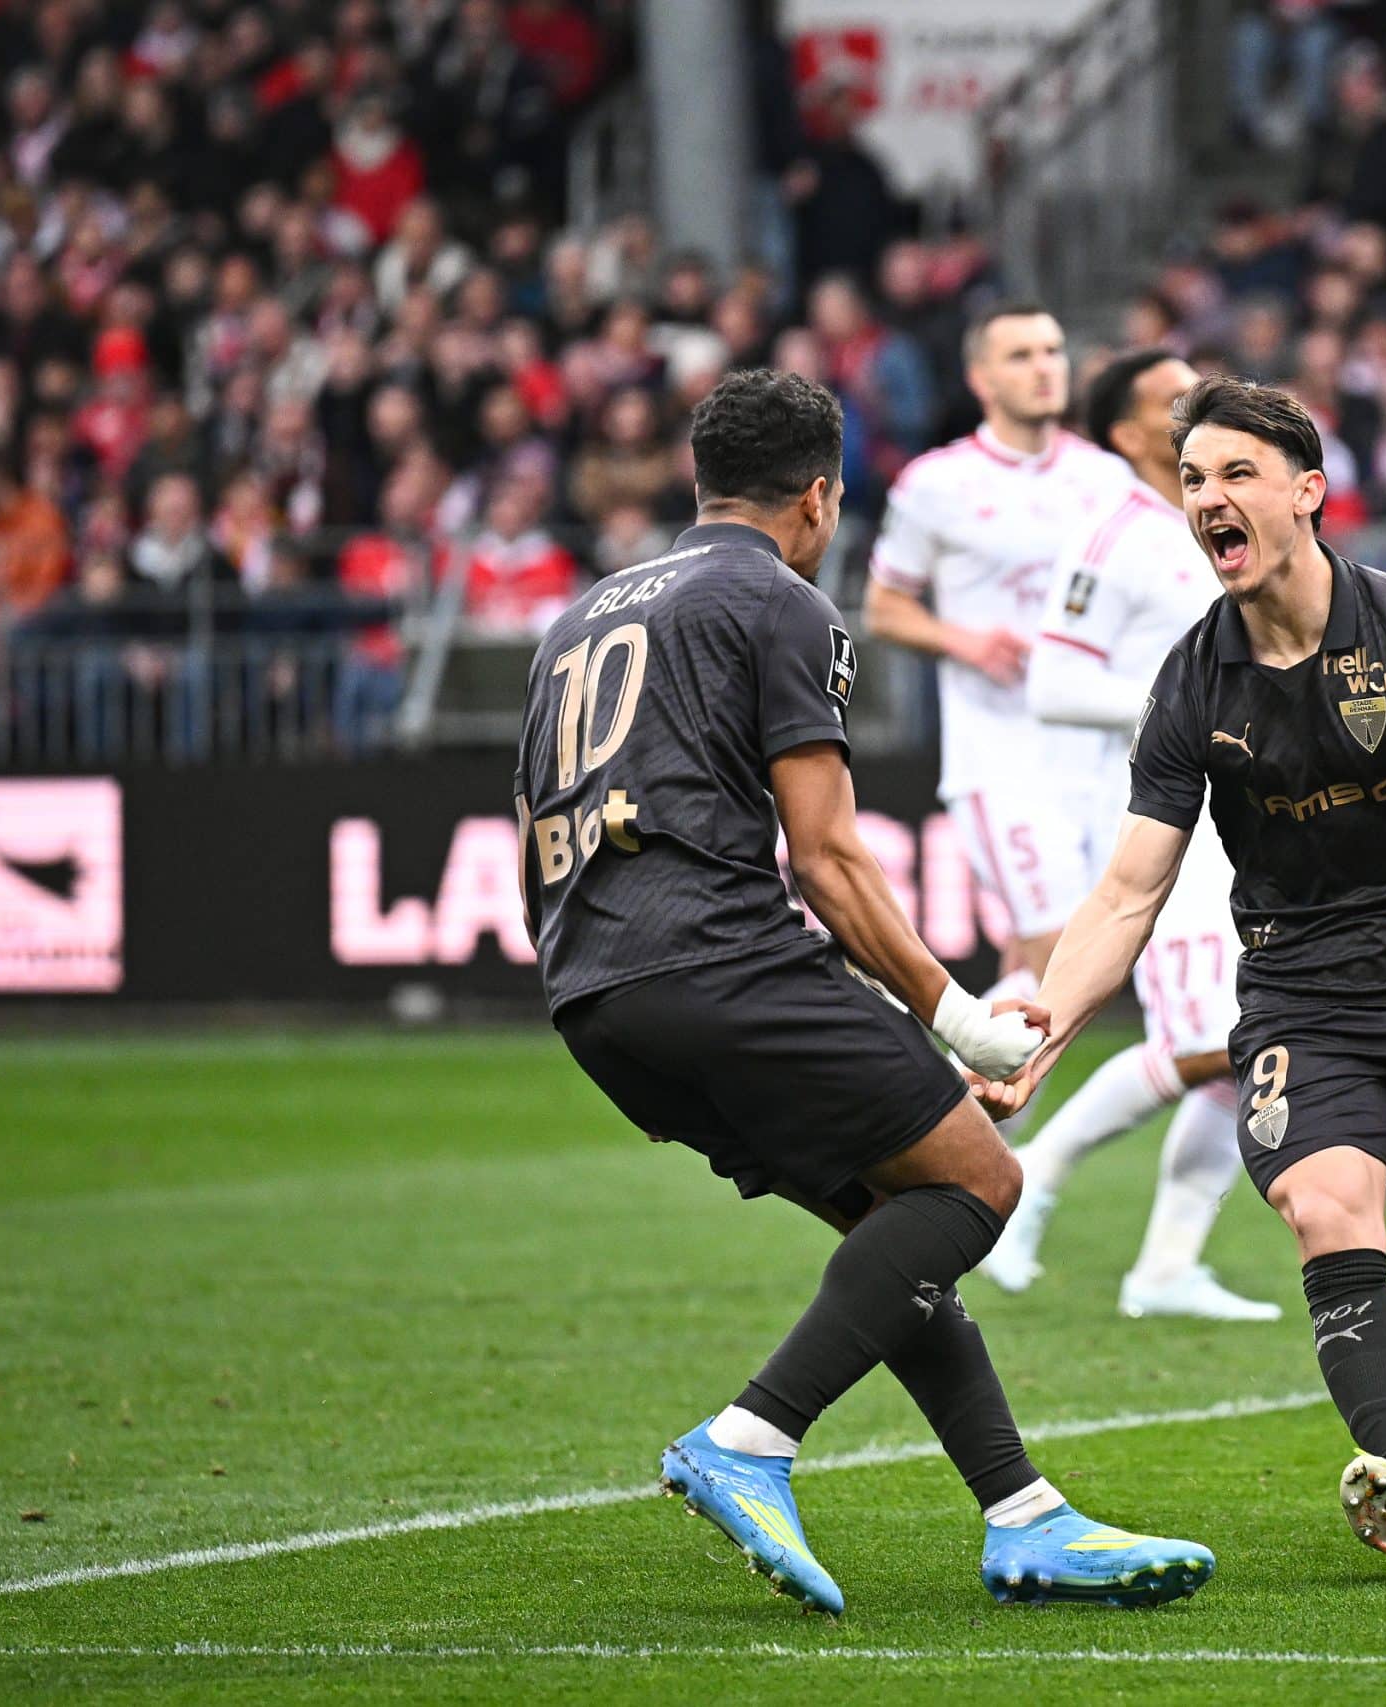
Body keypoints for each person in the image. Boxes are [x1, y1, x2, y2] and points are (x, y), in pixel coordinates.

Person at [517, 369, 1211, 1615]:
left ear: (698, 481)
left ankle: (1024, 1517)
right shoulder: (781, 603)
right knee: (979, 1181)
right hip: (721, 962)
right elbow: (827, 858)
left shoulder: (578, 618)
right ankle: (751, 1437)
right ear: (823, 498)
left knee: (899, 1228)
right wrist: (957, 1020)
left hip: (594, 994)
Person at [988, 377, 1386, 1581]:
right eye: (1192, 479)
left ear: (1307, 493)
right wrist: (1045, 1019)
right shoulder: (1192, 681)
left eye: (1235, 474)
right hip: (1304, 995)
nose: (1208, 499)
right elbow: (1130, 891)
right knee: (1328, 1213)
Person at [976, 350, 1277, 1323]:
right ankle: (1030, 1179)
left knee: (1247, 1042)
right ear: (1123, 434)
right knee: (1212, 1041)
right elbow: (1053, 685)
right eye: (1171, 400)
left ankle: (1165, 1267)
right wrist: (1183, 710)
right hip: (1164, 819)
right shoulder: (1114, 538)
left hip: (1238, 814)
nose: (1195, 406)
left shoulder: (1213, 528)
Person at [864, 302, 1133, 1009]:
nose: (1045, 367)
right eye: (1021, 355)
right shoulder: (936, 484)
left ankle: (975, 1114)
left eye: (1052, 350)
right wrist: (966, 641)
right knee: (1063, 950)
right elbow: (883, 606)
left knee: (1041, 965)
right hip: (999, 756)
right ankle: (945, 1112)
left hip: (1095, 753)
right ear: (981, 378)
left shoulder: (1108, 480)